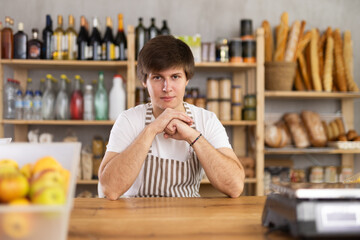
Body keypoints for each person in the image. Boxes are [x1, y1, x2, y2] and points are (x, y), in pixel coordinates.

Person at [98, 35, 245, 199]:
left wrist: (192, 136)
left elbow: (235, 187)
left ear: (187, 79)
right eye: (157, 77)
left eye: (175, 77)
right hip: (136, 220)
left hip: (188, 220)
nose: (167, 88)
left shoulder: (207, 120)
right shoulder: (128, 120)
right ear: (144, 81)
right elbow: (109, 189)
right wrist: (151, 130)